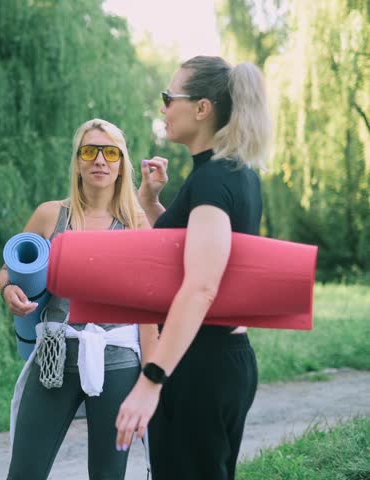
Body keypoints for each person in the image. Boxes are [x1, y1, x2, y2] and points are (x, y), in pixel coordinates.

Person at [115, 56, 272, 480]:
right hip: (218, 359)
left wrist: (150, 382)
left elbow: (201, 285)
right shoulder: (232, 173)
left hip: (200, 363)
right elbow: (189, 256)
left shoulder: (212, 180)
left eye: (169, 98)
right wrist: (151, 202)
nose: (163, 108)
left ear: (201, 108)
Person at [0, 118, 160, 480]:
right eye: (89, 151)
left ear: (121, 164)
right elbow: (7, 271)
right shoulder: (51, 214)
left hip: (118, 362)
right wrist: (9, 289)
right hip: (54, 358)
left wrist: (152, 382)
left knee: (107, 475)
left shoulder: (137, 223)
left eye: (110, 152)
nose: (99, 160)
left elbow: (148, 312)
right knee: (24, 472)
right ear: (77, 161)